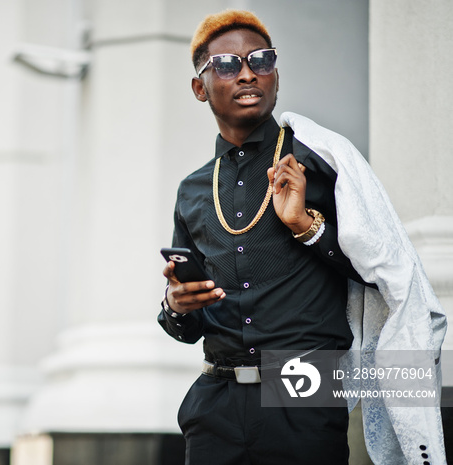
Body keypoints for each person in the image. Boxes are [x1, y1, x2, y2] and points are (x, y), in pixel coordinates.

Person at [158, 9, 447, 465]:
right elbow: (187, 328)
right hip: (215, 400)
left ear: (276, 74)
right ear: (200, 87)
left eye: (262, 60)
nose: (249, 73)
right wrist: (176, 305)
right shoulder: (194, 189)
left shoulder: (319, 160)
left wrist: (306, 227)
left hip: (303, 387)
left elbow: (386, 274)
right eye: (229, 65)